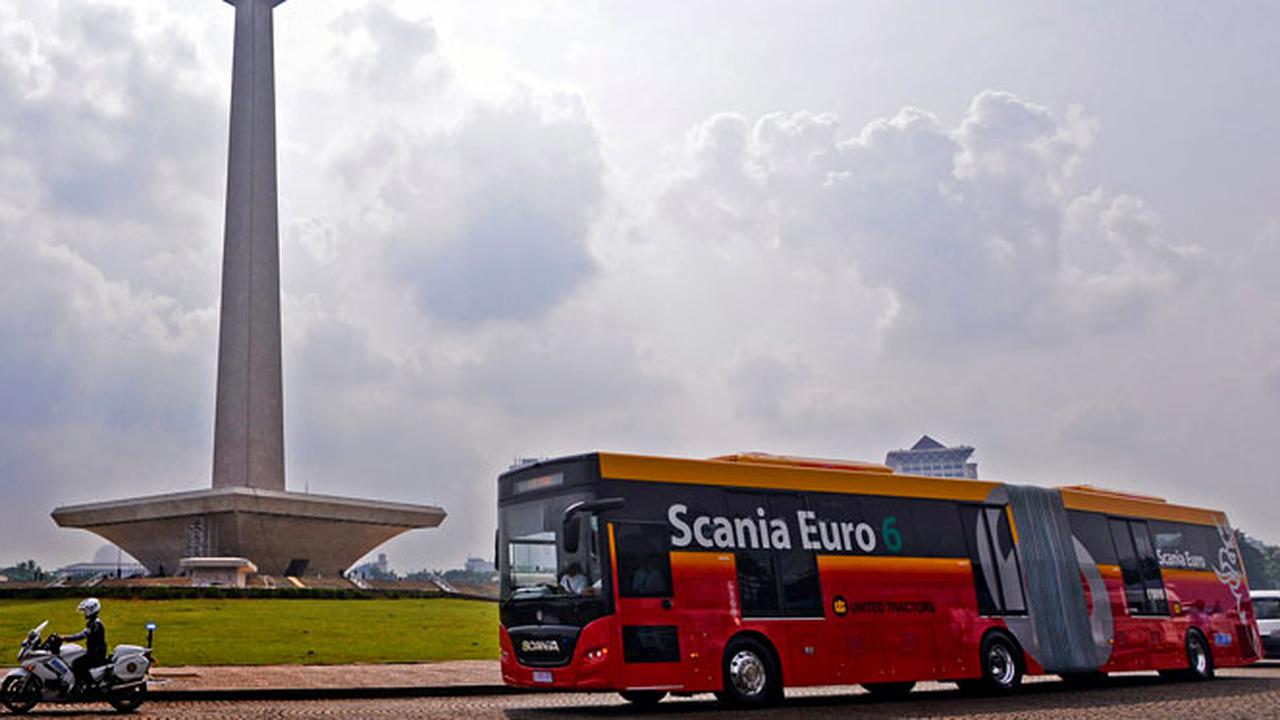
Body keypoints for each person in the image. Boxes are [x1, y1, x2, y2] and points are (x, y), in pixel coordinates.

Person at [62, 598, 107, 693]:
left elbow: (82, 635)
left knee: (77, 664)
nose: (84, 613)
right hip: (95, 651)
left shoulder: (95, 624)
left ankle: (87, 685)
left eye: (85, 610)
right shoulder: (94, 622)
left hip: (96, 654)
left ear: (91, 610)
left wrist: (65, 638)